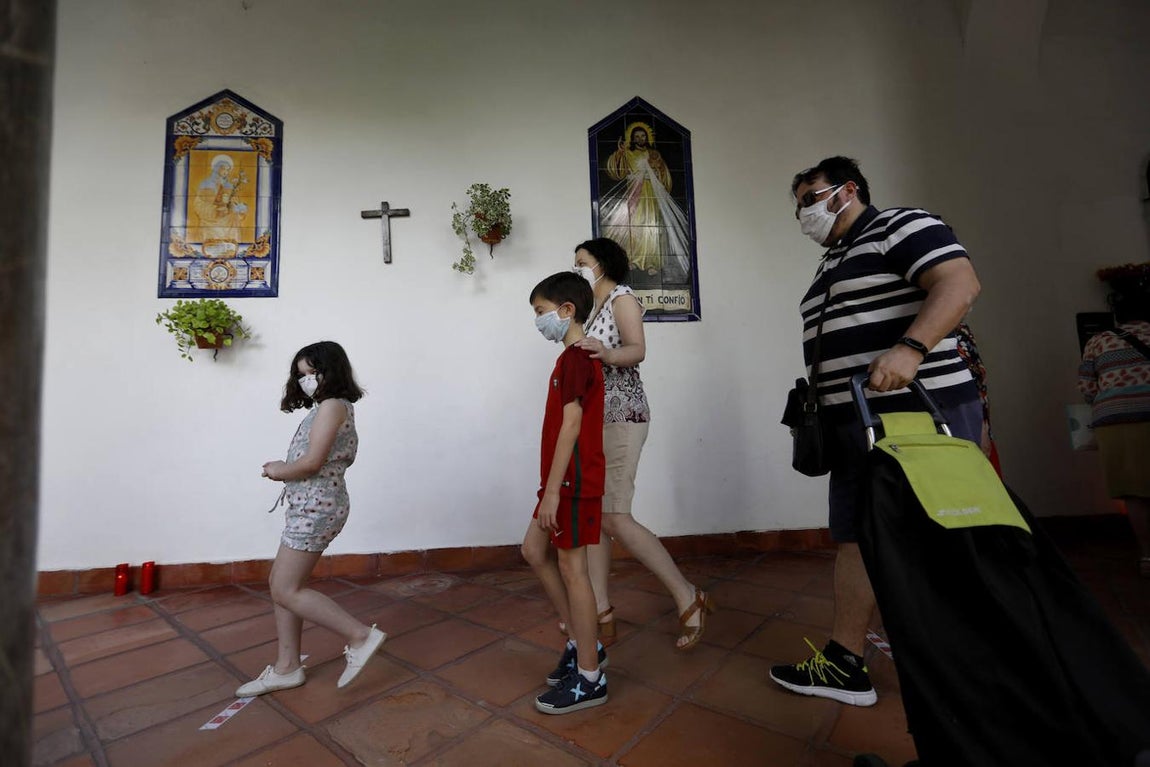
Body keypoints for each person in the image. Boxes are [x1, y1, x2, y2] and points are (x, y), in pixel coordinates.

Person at [769, 156, 983, 707]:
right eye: (798, 204)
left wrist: (911, 349)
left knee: (938, 534)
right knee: (857, 535)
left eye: (810, 197)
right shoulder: (831, 262)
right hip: (856, 423)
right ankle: (845, 663)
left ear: (848, 190)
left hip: (915, 410)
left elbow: (959, 282)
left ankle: (969, 666)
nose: (804, 212)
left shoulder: (901, 225)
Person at [567, 237, 713, 650]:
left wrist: (604, 353)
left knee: (614, 515)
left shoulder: (622, 298)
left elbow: (637, 350)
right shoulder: (589, 308)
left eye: (582, 261)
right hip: (595, 419)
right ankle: (599, 610)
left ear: (603, 263)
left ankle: (687, 595)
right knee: (596, 515)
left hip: (623, 416)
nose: (577, 267)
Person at [235, 341, 386, 697]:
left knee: (285, 587)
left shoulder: (333, 406)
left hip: (317, 508)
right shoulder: (325, 408)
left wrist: (277, 470)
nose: (307, 380)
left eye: (313, 373)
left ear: (331, 371)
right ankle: (287, 667)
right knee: (281, 585)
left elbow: (312, 463)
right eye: (301, 375)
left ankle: (360, 636)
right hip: (311, 506)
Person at [521, 272, 610, 714]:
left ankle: (591, 677)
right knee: (533, 550)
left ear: (566, 310)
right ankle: (580, 639)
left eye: (540, 312)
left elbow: (573, 426)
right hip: (561, 483)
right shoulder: (568, 360)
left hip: (573, 484)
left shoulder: (577, 358)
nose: (538, 321)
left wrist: (554, 492)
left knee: (575, 571)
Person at [1078, 287, 1150, 577]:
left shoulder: (1098, 341)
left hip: (1117, 421)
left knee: (1134, 492)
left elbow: (1087, 388)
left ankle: (1148, 556)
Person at [601, 122, 691, 280]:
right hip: (634, 195)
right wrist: (620, 153)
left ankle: (652, 263)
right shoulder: (628, 153)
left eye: (643, 136)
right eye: (637, 137)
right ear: (633, 139)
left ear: (647, 137)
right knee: (633, 226)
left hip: (651, 196)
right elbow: (617, 172)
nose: (640, 139)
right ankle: (633, 259)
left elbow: (664, 176)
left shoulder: (654, 154)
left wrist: (656, 171)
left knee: (651, 227)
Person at [192, 154, 248, 246]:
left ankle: (231, 247)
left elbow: (232, 202)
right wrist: (215, 210)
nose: (226, 172)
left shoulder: (229, 185)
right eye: (223, 169)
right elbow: (201, 203)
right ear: (217, 168)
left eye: (228, 170)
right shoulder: (206, 183)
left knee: (234, 218)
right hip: (210, 216)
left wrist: (238, 207)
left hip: (226, 216)